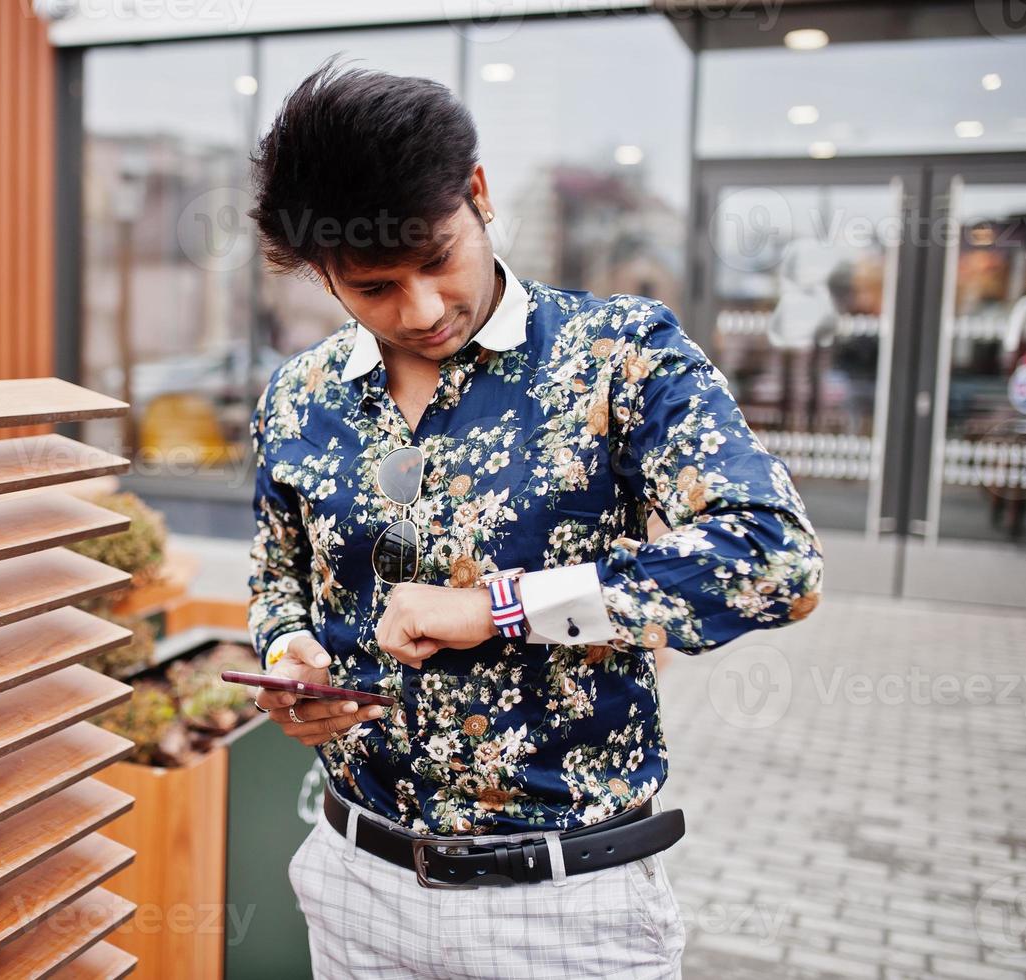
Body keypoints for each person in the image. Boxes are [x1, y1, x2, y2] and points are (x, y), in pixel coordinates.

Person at [244, 59, 824, 979]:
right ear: (322, 275)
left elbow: (774, 559)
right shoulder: (296, 396)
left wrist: (503, 608)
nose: (423, 309)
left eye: (436, 259)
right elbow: (276, 574)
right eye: (373, 287)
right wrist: (287, 660)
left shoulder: (619, 355)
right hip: (353, 886)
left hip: (565, 912)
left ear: (477, 195)